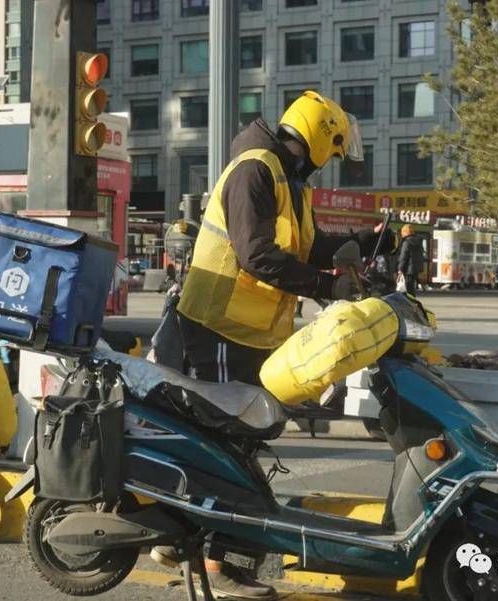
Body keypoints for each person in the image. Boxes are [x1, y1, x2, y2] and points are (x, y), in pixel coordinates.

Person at [150, 90, 394, 600]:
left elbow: (309, 246)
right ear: (320, 138)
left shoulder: (288, 181)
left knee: (237, 441)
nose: (331, 161)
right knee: (224, 441)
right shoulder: (256, 171)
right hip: (216, 324)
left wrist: (369, 242)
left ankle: (188, 540)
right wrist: (327, 287)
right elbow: (257, 257)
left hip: (246, 332)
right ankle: (204, 552)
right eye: (334, 147)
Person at [397, 224, 424, 296]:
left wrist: (400, 268)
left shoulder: (407, 242)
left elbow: (403, 257)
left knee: (408, 288)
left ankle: (410, 303)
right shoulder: (418, 242)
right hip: (415, 269)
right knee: (411, 288)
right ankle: (412, 301)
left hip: (408, 269)